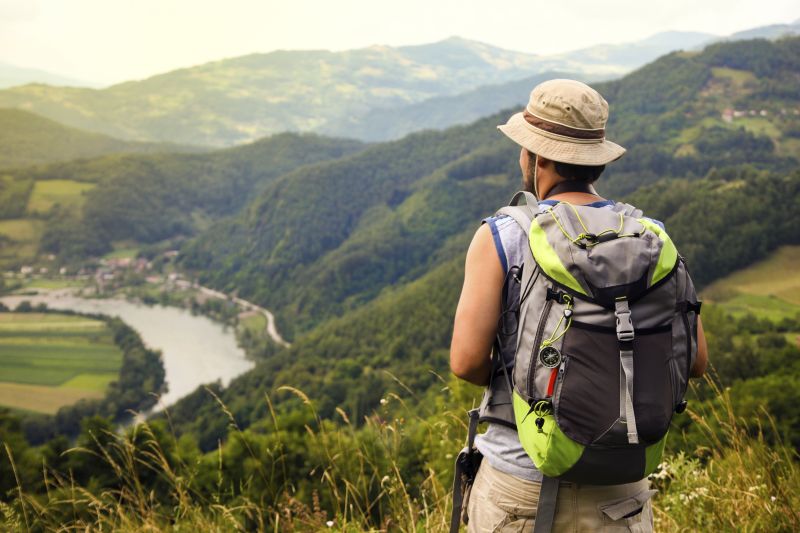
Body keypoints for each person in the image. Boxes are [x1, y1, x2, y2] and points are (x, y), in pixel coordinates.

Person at [449, 79, 708, 532]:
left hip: (520, 485)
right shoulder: (651, 237)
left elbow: (467, 362)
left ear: (538, 158)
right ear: (595, 162)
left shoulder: (504, 234)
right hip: (622, 492)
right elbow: (696, 361)